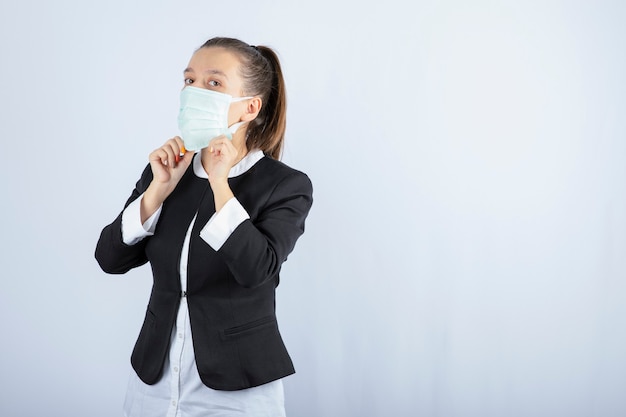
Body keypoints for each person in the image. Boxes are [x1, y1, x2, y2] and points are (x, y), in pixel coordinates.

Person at [95, 37, 313, 417]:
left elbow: (255, 270)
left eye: (214, 83)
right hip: (154, 380)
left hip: (236, 388)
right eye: (189, 80)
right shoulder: (165, 171)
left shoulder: (285, 185)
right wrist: (156, 192)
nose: (194, 91)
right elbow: (110, 259)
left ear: (249, 108)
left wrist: (219, 183)